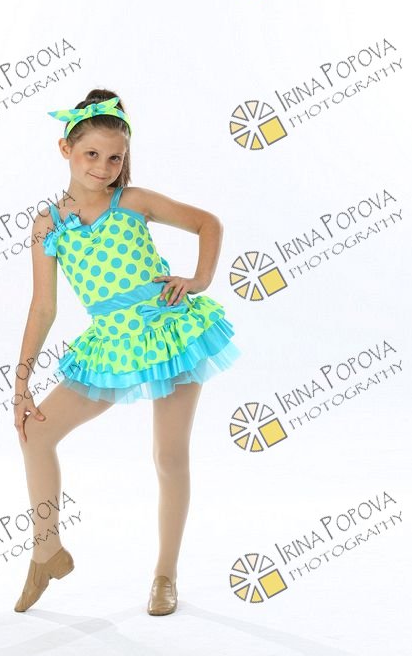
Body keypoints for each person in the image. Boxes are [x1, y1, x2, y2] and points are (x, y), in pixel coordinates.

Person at [13, 89, 242, 616]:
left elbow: (208, 223)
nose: (103, 167)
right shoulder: (49, 224)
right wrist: (21, 385)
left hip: (169, 330)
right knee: (35, 433)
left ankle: (165, 574)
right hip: (110, 344)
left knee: (168, 455)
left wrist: (199, 280)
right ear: (65, 150)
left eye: (115, 158)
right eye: (91, 154)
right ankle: (46, 551)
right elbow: (43, 307)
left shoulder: (133, 202)